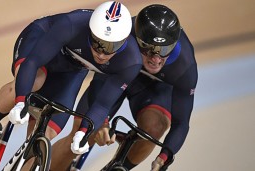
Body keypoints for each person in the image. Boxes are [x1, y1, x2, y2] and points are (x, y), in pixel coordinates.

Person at [0, 1, 143, 168]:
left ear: (125, 40)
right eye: (97, 42)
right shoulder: (72, 23)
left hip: (72, 68)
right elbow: (33, 62)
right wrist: (21, 100)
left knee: (48, 132)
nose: (102, 53)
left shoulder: (131, 62)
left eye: (110, 46)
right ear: (90, 30)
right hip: (42, 41)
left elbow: (103, 104)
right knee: (34, 82)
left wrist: (83, 132)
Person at [52, 4, 198, 171]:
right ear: (138, 39)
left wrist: (165, 156)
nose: (156, 59)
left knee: (154, 128)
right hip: (115, 76)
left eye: (164, 51)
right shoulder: (123, 34)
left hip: (153, 89)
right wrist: (102, 120)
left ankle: (118, 168)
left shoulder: (185, 67)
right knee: (81, 132)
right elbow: (101, 78)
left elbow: (181, 122)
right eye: (149, 50)